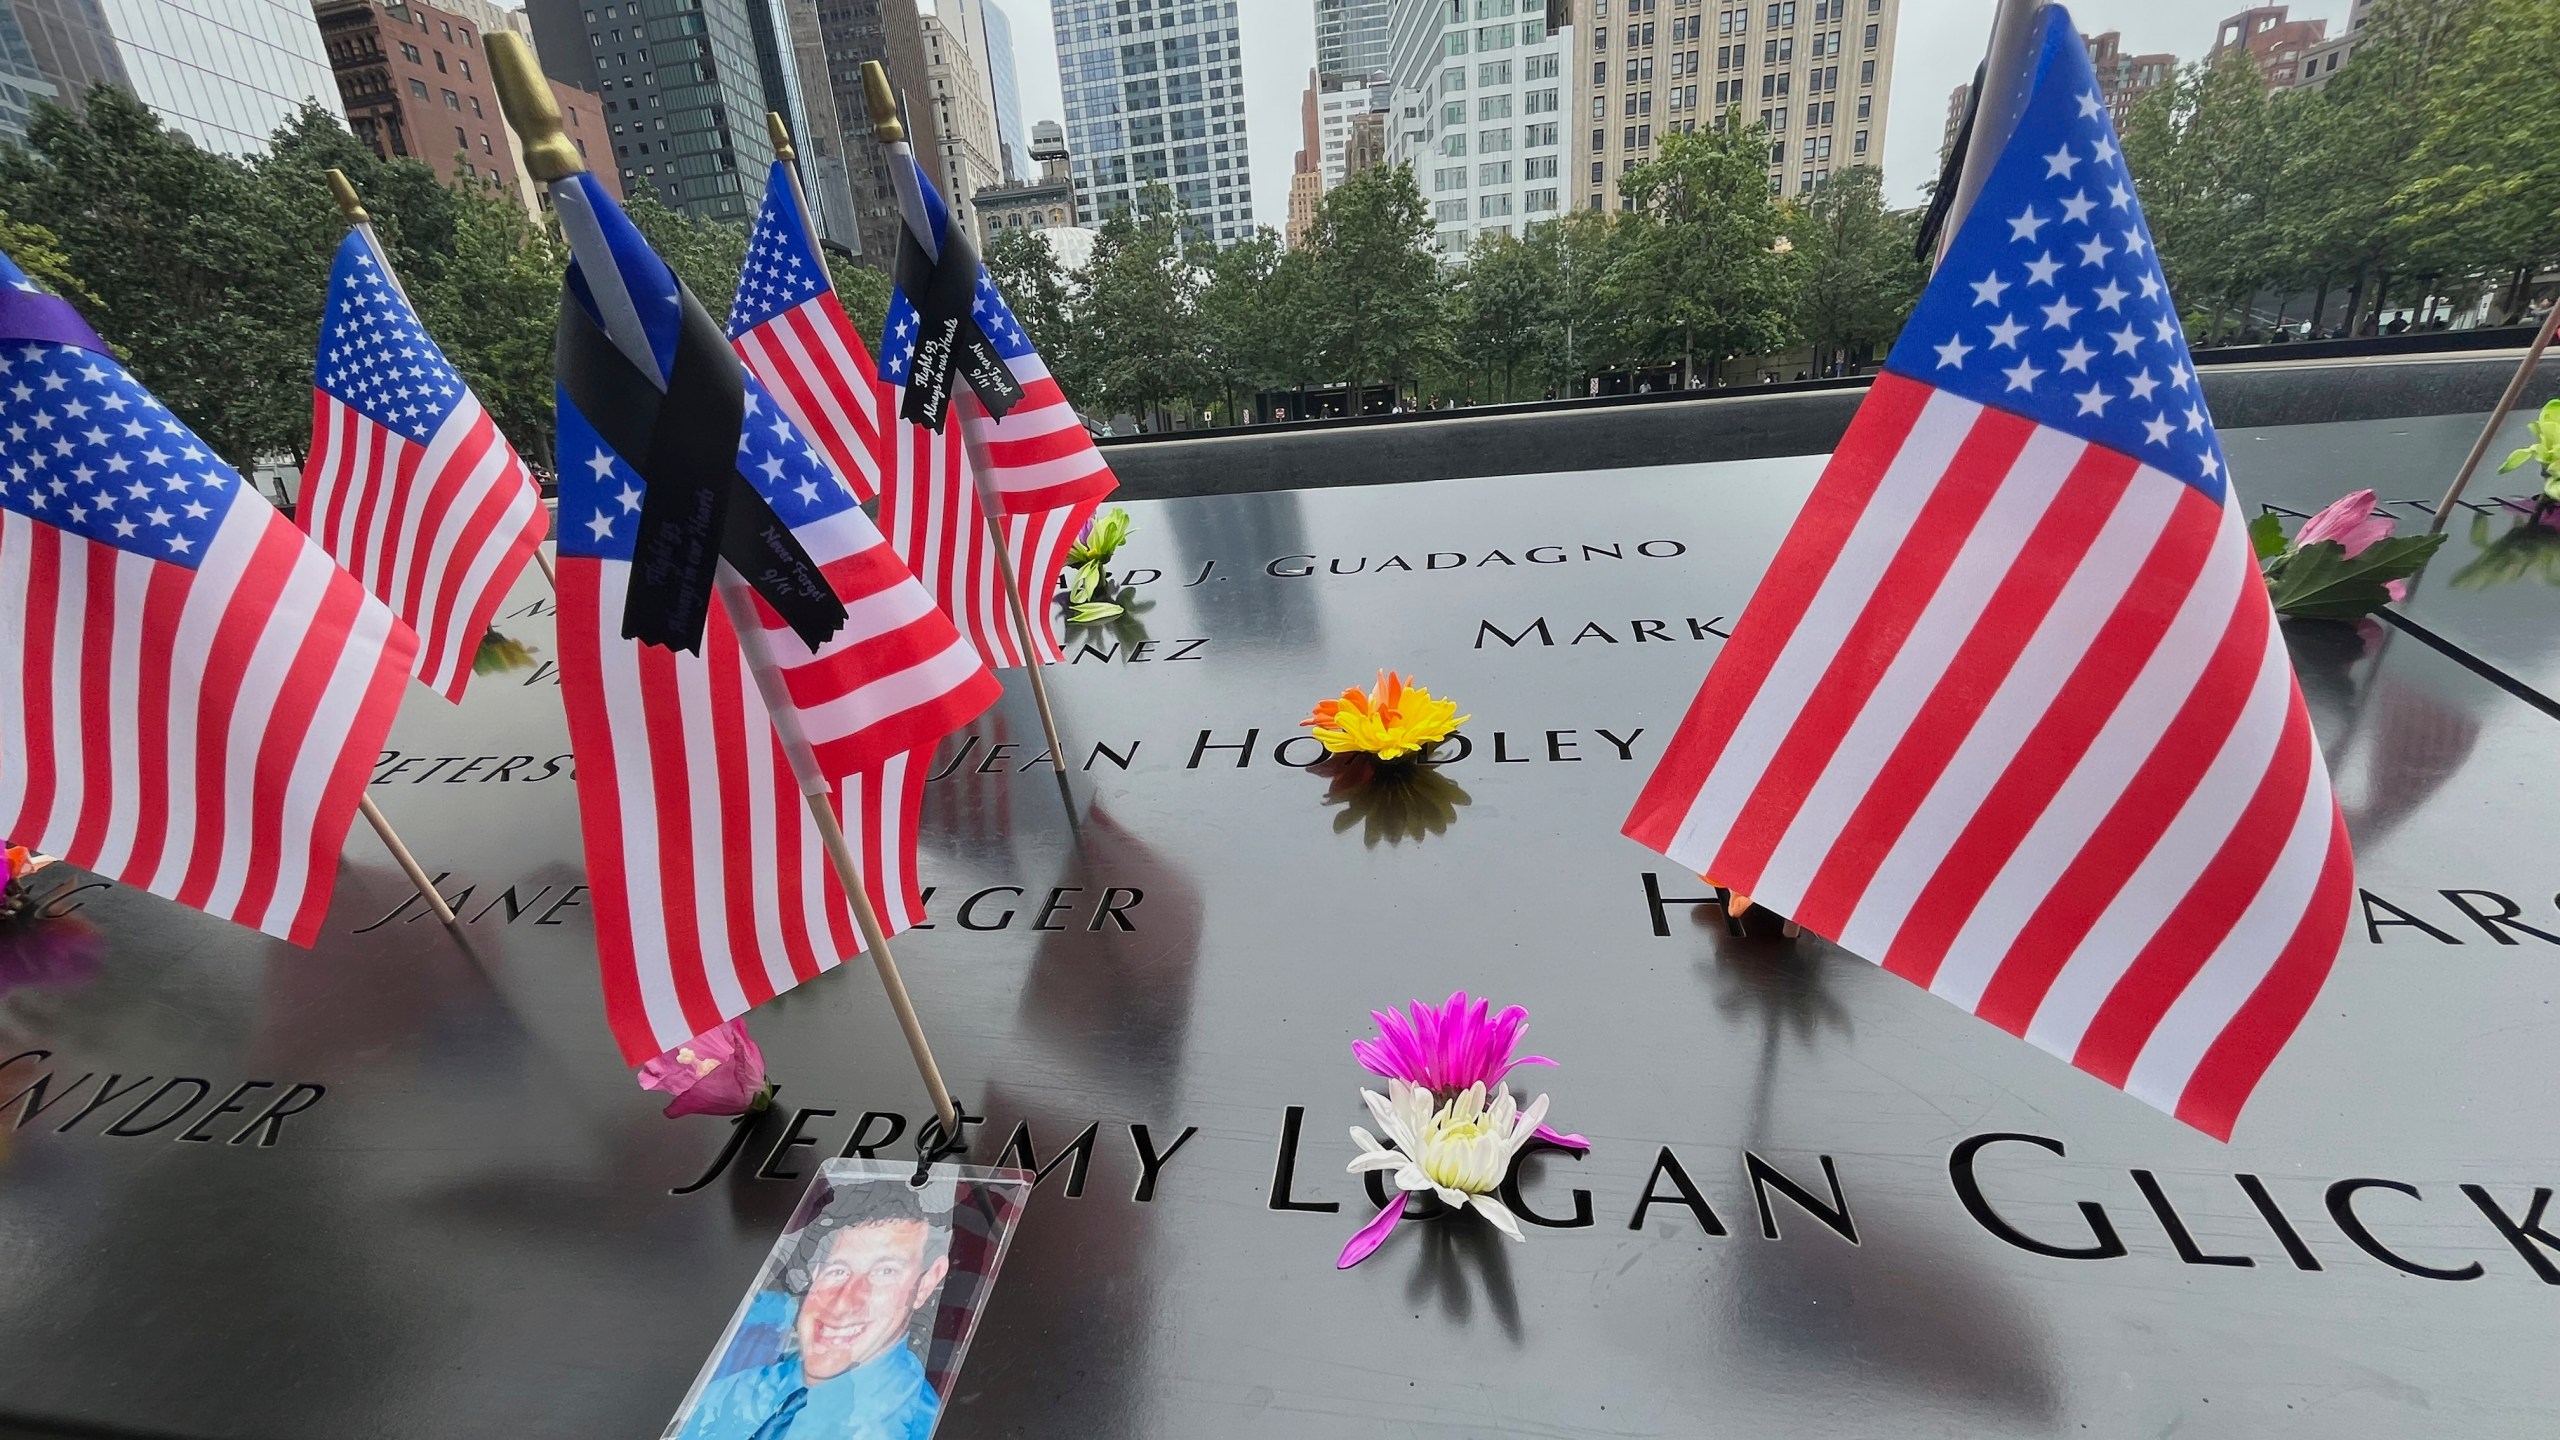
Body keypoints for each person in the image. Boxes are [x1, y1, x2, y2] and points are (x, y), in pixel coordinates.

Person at [677, 1184, 953, 1440]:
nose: (844, 1302)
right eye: (838, 1270)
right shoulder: (730, 1392)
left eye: (884, 1272)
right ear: (815, 1275)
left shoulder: (921, 1427)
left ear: (926, 1283)